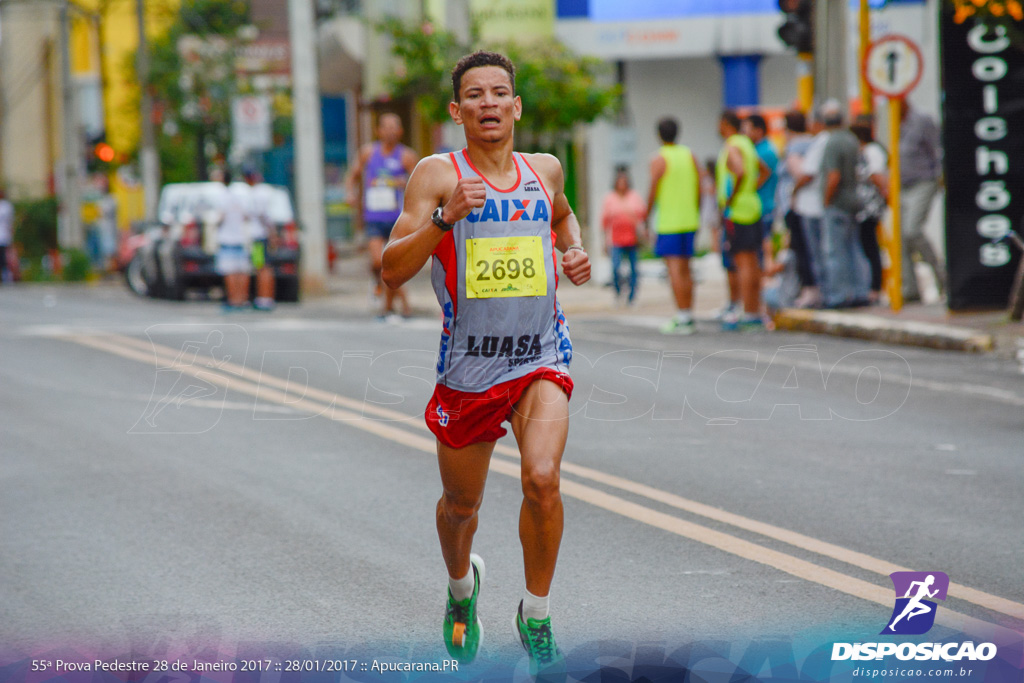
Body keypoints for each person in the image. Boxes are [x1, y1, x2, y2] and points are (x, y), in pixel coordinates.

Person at [380, 50, 590, 678]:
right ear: (457, 110)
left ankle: (538, 612)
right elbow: (391, 269)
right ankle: (461, 587)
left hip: (539, 359)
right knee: (460, 508)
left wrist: (574, 250)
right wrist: (446, 219)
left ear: (516, 106)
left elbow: (562, 217)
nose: (489, 103)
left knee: (542, 479)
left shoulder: (544, 170)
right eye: (475, 95)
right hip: (469, 372)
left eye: (500, 93)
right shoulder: (437, 175)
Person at [347, 113, 418, 318]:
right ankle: (381, 287)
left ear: (401, 131)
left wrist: (405, 184)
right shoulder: (368, 153)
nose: (390, 131)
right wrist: (350, 193)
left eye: (394, 127)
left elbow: (419, 183)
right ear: (378, 130)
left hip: (398, 219)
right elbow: (352, 176)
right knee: (378, 263)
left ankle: (393, 306)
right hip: (374, 218)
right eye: (385, 127)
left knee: (393, 266)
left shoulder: (406, 156)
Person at [646, 117, 701, 333]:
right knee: (687, 270)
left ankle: (682, 316)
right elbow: (698, 185)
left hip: (669, 221)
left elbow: (653, 190)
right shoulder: (690, 155)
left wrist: (646, 215)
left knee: (675, 271)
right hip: (689, 219)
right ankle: (689, 313)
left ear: (659, 135)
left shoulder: (659, 159)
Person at [716, 110, 768, 330]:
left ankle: (747, 312)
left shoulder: (732, 145)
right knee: (753, 263)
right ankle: (754, 310)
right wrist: (750, 190)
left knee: (743, 263)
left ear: (725, 124)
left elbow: (739, 170)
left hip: (739, 212)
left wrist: (732, 198)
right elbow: (764, 171)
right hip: (753, 207)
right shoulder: (747, 144)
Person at [820, 100, 870, 308]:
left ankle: (838, 295)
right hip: (854, 199)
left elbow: (833, 176)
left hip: (839, 202)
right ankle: (860, 291)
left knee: (835, 251)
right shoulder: (851, 140)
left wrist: (826, 200)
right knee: (854, 248)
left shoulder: (833, 142)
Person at [898, 99, 946, 303]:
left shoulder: (922, 121)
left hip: (922, 181)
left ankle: (943, 278)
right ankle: (910, 289)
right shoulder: (890, 121)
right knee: (900, 238)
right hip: (899, 184)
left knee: (912, 230)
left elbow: (937, 149)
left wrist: (940, 177)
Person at [775, 110, 817, 305]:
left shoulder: (795, 146)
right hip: (811, 205)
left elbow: (800, 173)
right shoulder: (814, 142)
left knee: (801, 248)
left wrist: (793, 193)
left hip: (796, 206)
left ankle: (808, 289)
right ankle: (808, 287)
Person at [792, 107, 832, 308]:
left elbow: (808, 173)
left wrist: (794, 190)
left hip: (813, 206)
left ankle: (825, 292)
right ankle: (827, 291)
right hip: (818, 205)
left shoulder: (821, 142)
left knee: (817, 252)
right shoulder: (821, 142)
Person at [851, 117, 888, 304]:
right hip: (863, 206)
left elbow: (877, 175)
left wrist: (887, 195)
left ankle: (875, 287)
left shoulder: (872, 151)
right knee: (866, 245)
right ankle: (870, 285)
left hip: (869, 207)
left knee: (870, 245)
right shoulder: (866, 151)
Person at [601, 166, 646, 305]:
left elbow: (642, 215)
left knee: (634, 268)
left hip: (632, 238)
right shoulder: (610, 198)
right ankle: (618, 292)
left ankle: (632, 296)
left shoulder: (634, 196)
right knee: (615, 267)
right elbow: (604, 221)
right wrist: (604, 241)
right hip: (616, 239)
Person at [214, 171, 252, 311]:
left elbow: (220, 216)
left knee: (230, 271)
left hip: (227, 238)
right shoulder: (241, 195)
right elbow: (247, 215)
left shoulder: (224, 195)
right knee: (242, 271)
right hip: (242, 237)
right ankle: (243, 299)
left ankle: (233, 300)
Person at [245, 170, 277, 311]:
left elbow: (264, 215)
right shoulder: (263, 192)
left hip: (258, 236)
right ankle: (264, 298)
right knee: (262, 267)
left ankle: (264, 298)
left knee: (262, 267)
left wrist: (272, 234)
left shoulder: (257, 193)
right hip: (259, 235)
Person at [0, 188, 13, 284]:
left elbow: (10, 222)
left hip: (4, 236)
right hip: (4, 235)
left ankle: (6, 276)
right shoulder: (7, 206)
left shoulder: (7, 206)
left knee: (4, 257)